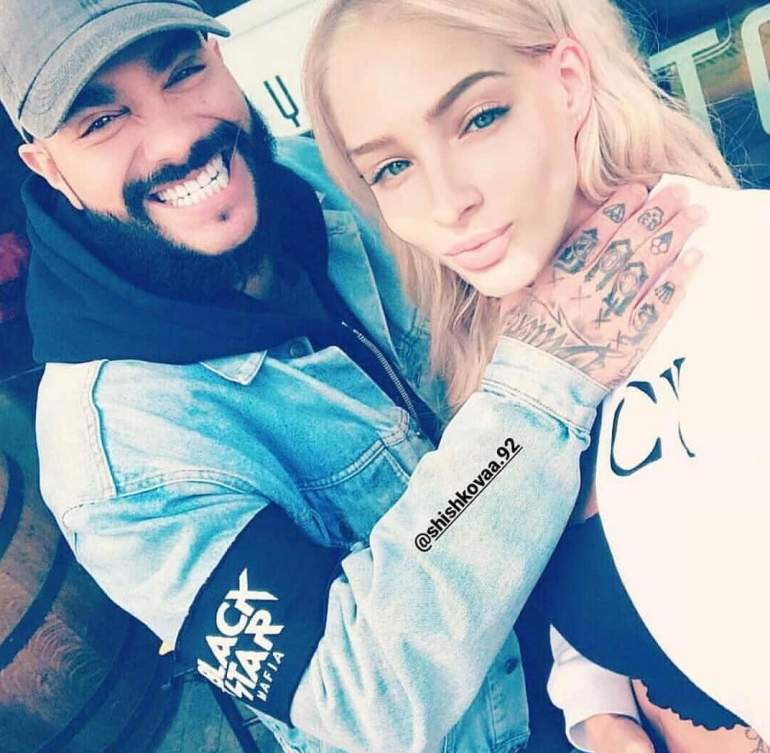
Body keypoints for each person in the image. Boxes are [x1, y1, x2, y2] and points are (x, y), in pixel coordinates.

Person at [1, 1, 698, 753]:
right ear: (48, 167)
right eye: (102, 122)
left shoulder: (341, 179)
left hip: (607, 639)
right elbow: (362, 697)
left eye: (183, 72)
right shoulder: (116, 459)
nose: (175, 138)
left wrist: (599, 682)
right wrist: (538, 386)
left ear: (220, 57)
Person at [301, 0, 770, 751]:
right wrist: (598, 705)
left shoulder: (748, 279)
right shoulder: (508, 359)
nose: (448, 202)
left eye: (479, 119)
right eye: (392, 167)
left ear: (569, 80)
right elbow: (604, 560)